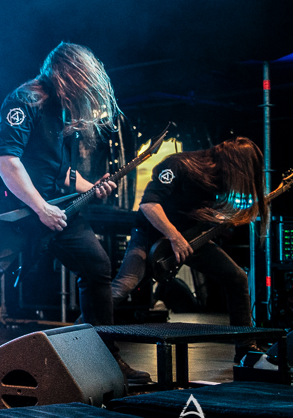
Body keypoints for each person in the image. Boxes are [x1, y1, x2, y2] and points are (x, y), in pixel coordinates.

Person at [0, 42, 150, 389]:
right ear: (67, 74)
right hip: (12, 206)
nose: (87, 90)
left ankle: (104, 356)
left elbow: (59, 170)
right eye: (84, 81)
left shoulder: (64, 113)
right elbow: (6, 162)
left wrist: (92, 186)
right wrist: (41, 208)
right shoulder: (26, 100)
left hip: (53, 206)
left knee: (97, 266)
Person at [110, 137, 269, 365]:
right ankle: (74, 335)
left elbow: (193, 210)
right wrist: (174, 237)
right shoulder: (177, 164)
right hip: (151, 236)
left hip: (189, 238)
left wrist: (216, 221)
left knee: (237, 278)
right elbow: (148, 205)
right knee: (122, 287)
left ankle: (245, 349)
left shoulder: (219, 178)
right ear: (236, 164)